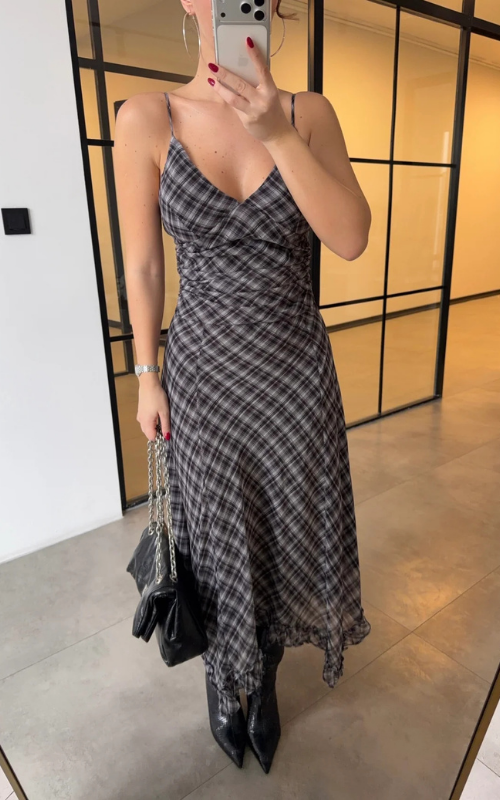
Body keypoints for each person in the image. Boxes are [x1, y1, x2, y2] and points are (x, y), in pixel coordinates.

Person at [113, 0, 372, 775]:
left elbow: (351, 237)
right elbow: (143, 266)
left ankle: (266, 673)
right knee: (217, 529)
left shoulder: (309, 114)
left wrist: (277, 134)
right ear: (189, 2)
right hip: (202, 375)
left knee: (285, 525)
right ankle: (227, 679)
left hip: (293, 371)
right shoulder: (147, 117)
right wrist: (146, 375)